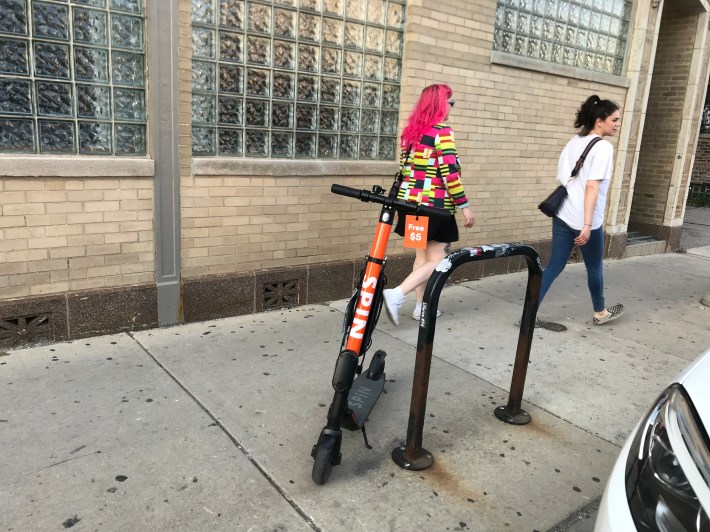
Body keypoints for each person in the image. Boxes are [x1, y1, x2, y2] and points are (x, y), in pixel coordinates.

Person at [382, 84, 474, 326]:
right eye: (449, 102)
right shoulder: (442, 132)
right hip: (435, 205)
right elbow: (450, 174)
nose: (451, 108)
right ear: (440, 105)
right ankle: (397, 294)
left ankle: (421, 308)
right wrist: (464, 205)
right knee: (438, 259)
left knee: (422, 258)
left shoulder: (410, 132)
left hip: (410, 205)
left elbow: (405, 170)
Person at [538, 94, 624, 326]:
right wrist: (586, 224)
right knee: (594, 267)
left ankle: (529, 313)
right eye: (614, 120)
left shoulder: (574, 141)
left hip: (563, 213)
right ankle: (600, 312)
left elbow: (563, 177)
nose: (617, 124)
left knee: (554, 266)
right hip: (586, 219)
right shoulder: (603, 147)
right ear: (599, 120)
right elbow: (591, 186)